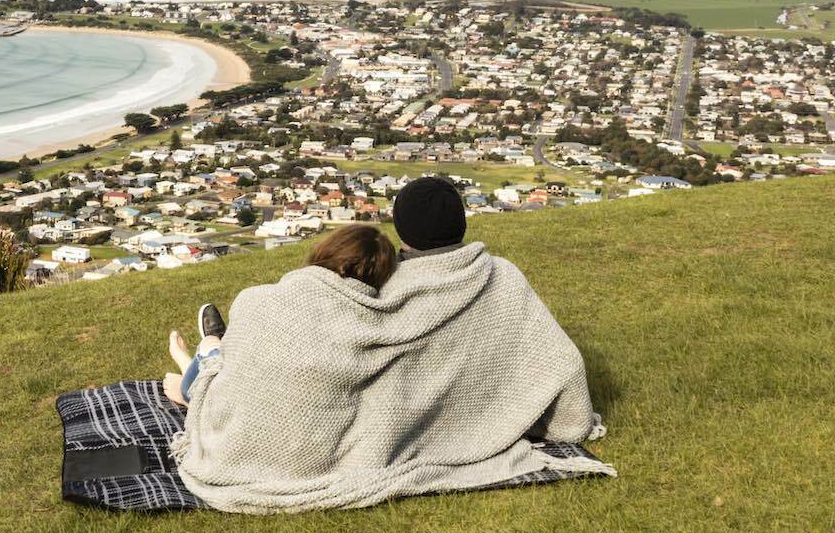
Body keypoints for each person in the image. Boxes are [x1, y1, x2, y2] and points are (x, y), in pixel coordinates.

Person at [162, 175, 610, 511]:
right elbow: (557, 357)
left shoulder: (386, 288)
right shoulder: (502, 277)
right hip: (435, 418)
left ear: (402, 228)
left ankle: (202, 362)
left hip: (337, 422)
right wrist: (563, 417)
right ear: (460, 223)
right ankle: (204, 357)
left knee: (219, 369)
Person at [162, 225, 397, 405]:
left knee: (210, 347)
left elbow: (234, 396)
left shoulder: (257, 298)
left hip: (249, 407)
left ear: (324, 254)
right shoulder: (379, 327)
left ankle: (194, 364)